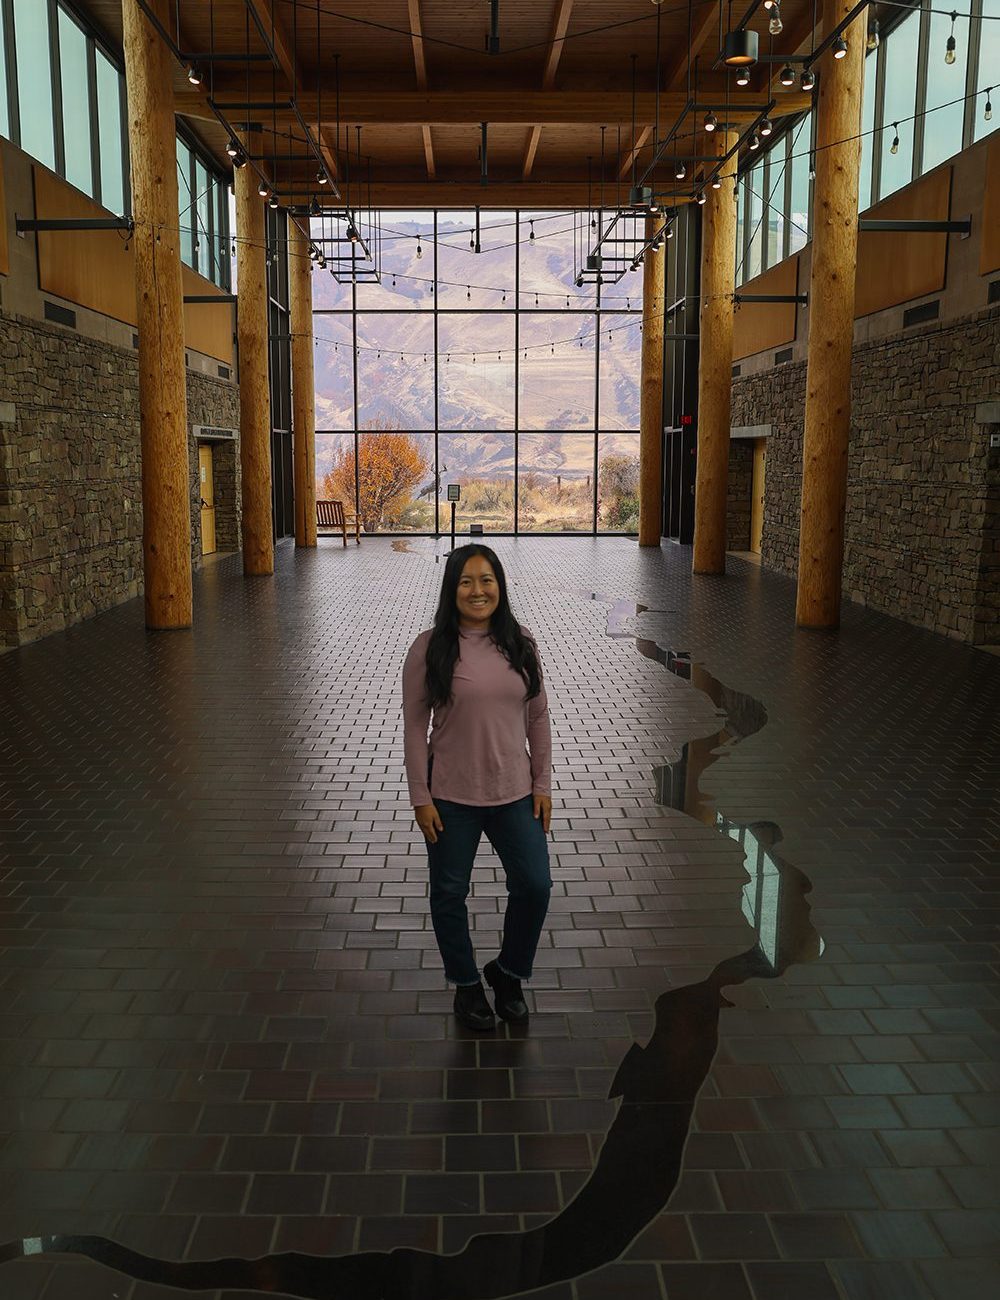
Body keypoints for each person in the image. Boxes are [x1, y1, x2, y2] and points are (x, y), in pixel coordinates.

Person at [402, 544, 553, 1031]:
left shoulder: (521, 642)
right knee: (449, 894)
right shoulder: (430, 648)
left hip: (515, 793)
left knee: (535, 885)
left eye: (487, 580)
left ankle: (508, 972)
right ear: (452, 589)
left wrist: (542, 783)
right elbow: (414, 728)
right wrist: (421, 798)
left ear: (500, 586)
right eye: (466, 581)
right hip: (450, 796)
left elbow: (538, 717)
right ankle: (466, 986)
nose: (477, 590)